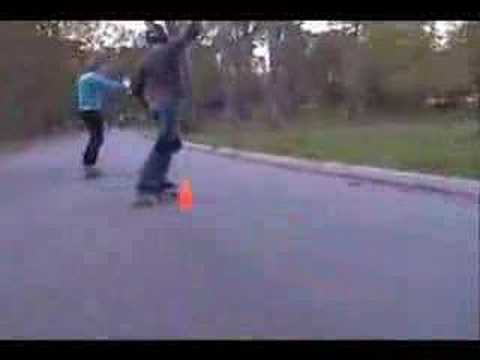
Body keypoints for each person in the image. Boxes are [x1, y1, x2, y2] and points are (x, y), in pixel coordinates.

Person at [131, 22, 200, 201]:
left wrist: (147, 106)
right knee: (164, 143)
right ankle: (146, 186)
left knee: (171, 143)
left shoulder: (144, 60)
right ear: (164, 38)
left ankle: (158, 181)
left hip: (156, 105)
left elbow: (136, 89)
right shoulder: (168, 49)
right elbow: (188, 35)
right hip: (168, 102)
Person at [77, 56, 128, 177]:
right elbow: (110, 86)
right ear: (98, 67)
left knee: (94, 137)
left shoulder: (83, 78)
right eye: (103, 67)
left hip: (84, 110)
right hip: (92, 110)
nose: (104, 70)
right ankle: (89, 165)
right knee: (97, 138)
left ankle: (88, 163)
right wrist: (125, 85)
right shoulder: (94, 78)